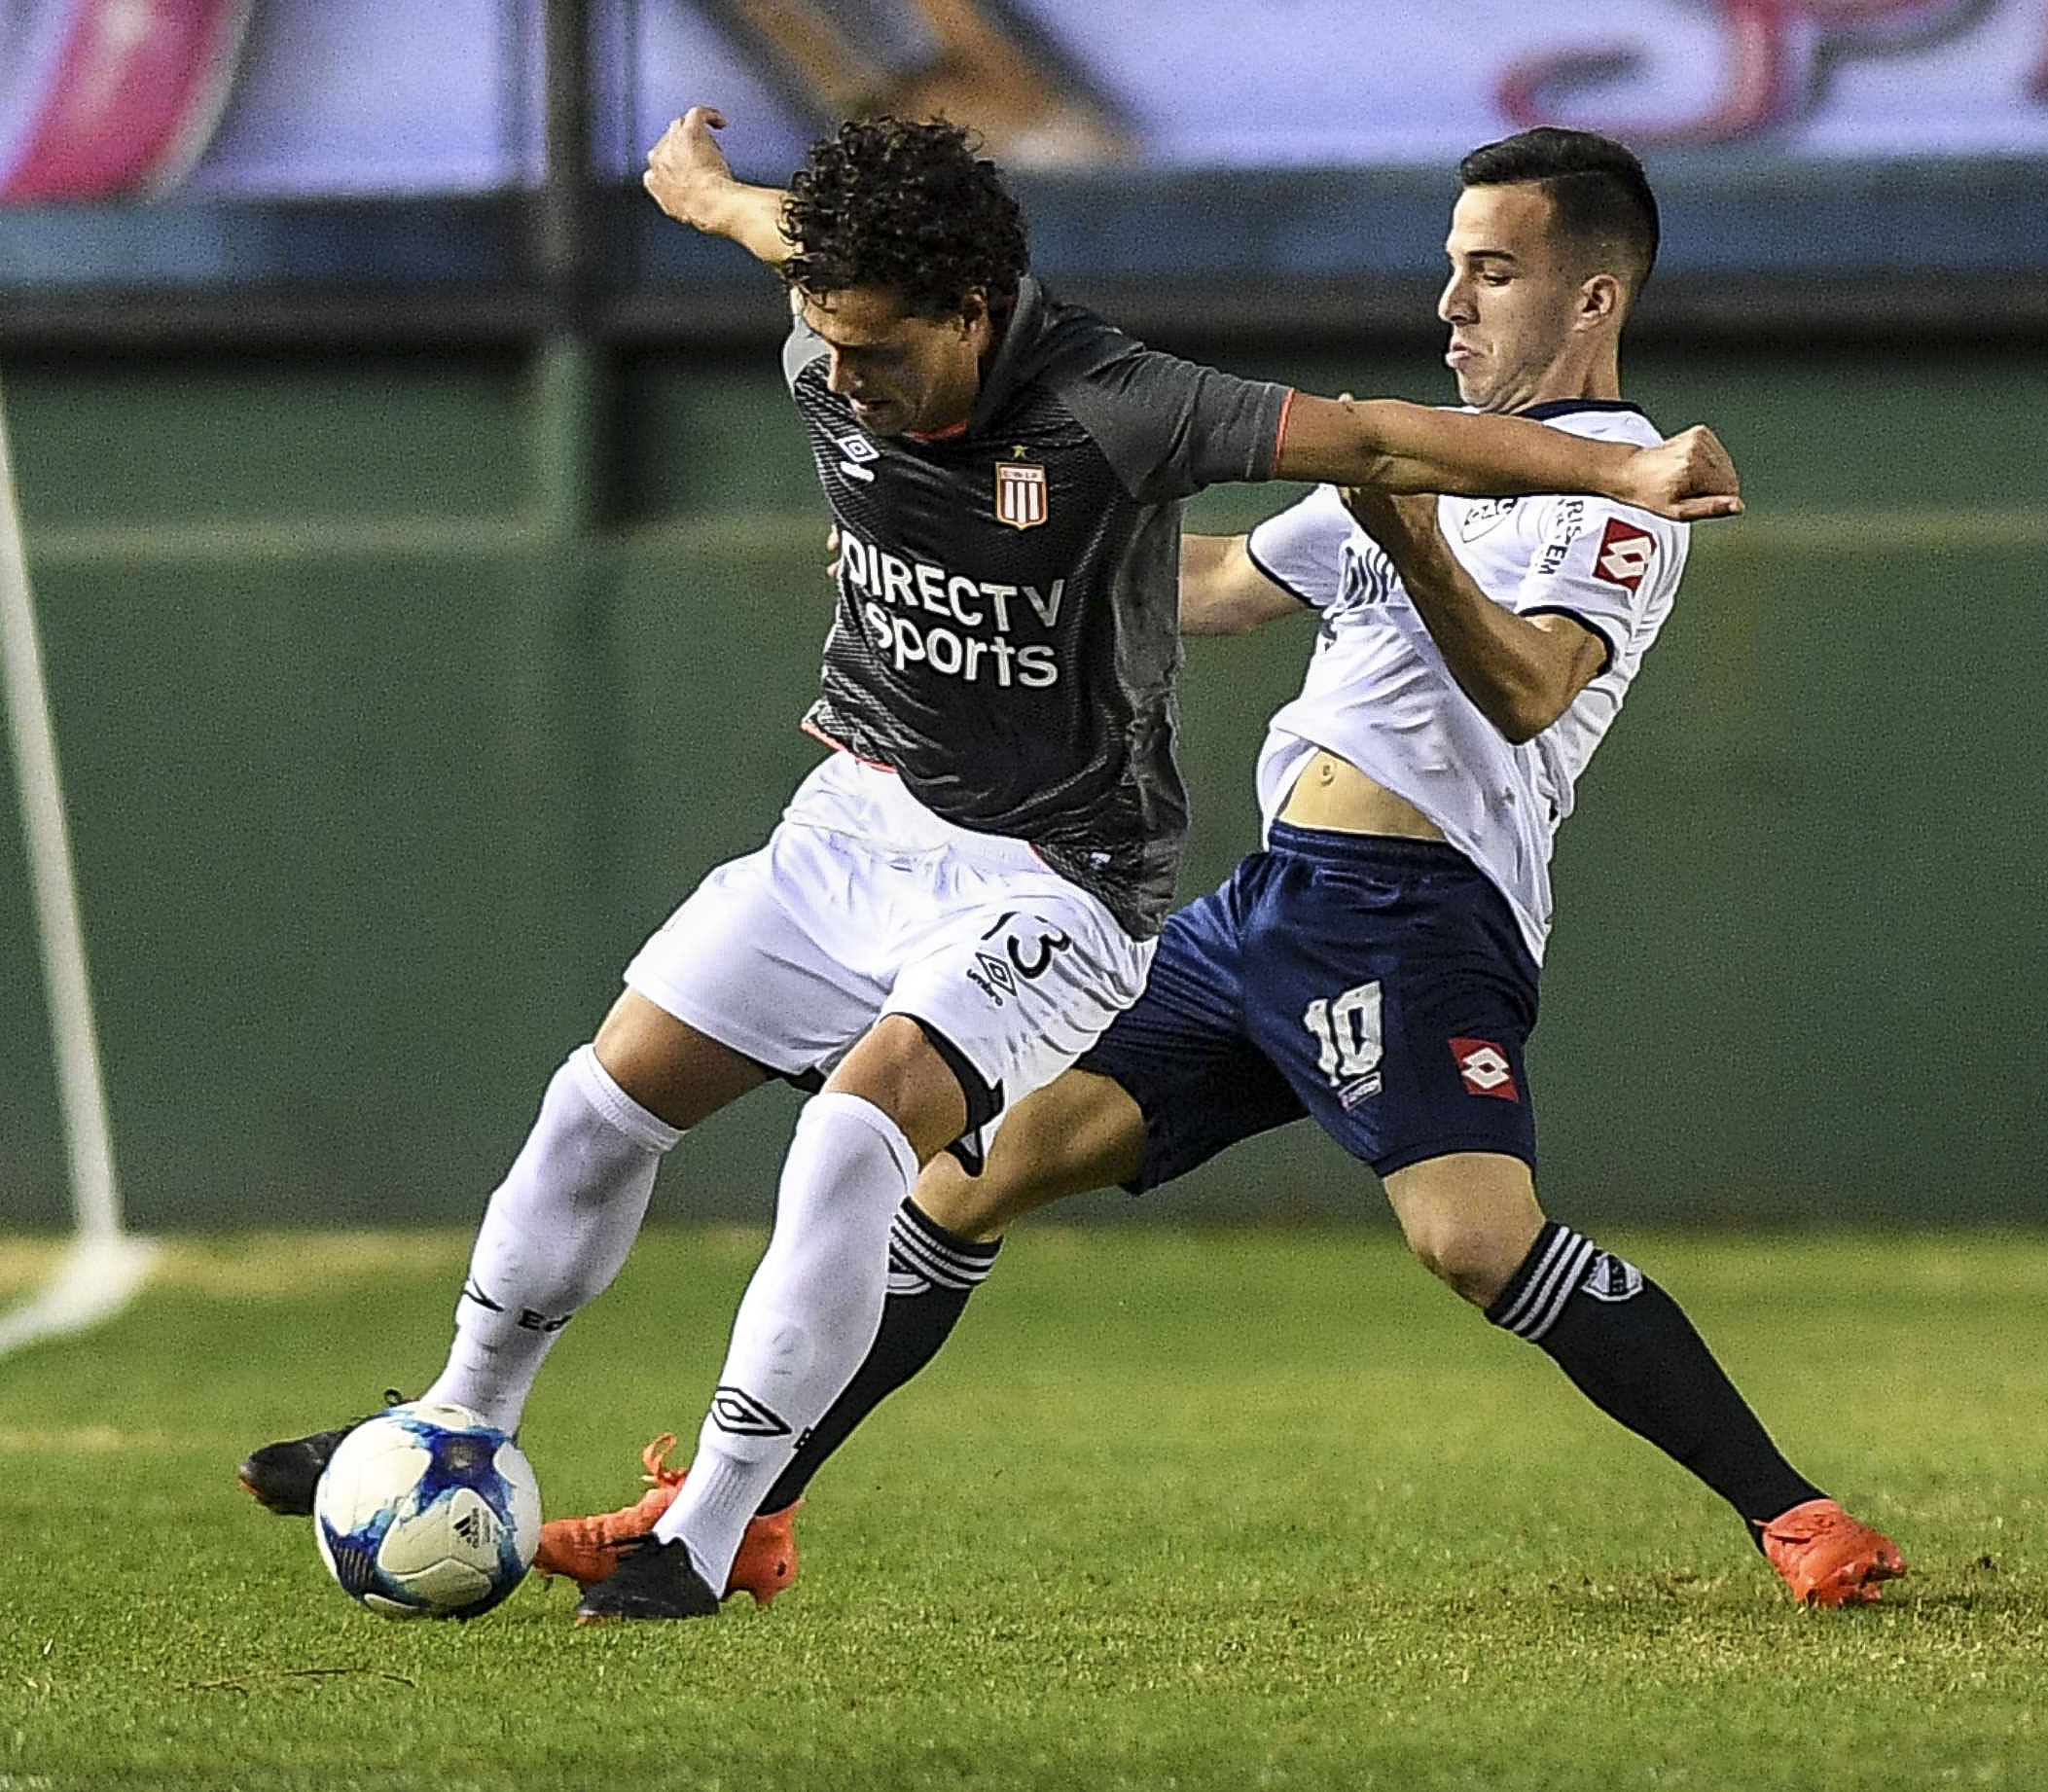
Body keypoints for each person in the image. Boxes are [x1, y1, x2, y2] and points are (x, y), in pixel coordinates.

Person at [235, 110, 1745, 1624]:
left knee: (862, 1142)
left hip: (1066, 876)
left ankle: (704, 1530)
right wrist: (706, 196)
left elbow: (1375, 441)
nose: (839, 377)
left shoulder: (1119, 401)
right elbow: (791, 245)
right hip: (863, 817)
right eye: (823, 336)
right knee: (603, 1100)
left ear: (969, 318)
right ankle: (457, 1419)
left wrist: (1622, 476)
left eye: (874, 350)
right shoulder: (839, 307)